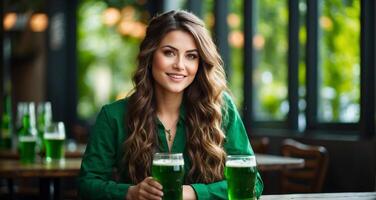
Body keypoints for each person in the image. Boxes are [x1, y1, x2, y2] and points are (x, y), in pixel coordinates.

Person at [78, 10, 263, 200]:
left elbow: (253, 184)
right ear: (150, 55)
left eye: (191, 56)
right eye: (169, 53)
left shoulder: (221, 108)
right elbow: (87, 184)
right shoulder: (113, 116)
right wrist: (130, 193)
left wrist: (193, 193)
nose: (180, 65)